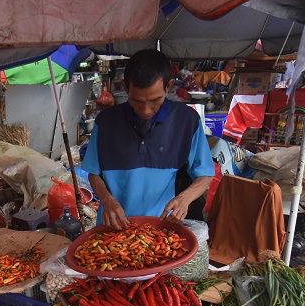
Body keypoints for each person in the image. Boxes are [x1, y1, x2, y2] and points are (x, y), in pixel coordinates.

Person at [82, 49, 215, 229]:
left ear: (168, 86)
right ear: (125, 87)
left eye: (155, 100)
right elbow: (93, 173)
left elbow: (205, 173)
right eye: (136, 100)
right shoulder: (106, 123)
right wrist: (107, 200)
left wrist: (184, 199)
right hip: (113, 228)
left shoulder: (186, 121)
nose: (145, 110)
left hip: (159, 230)